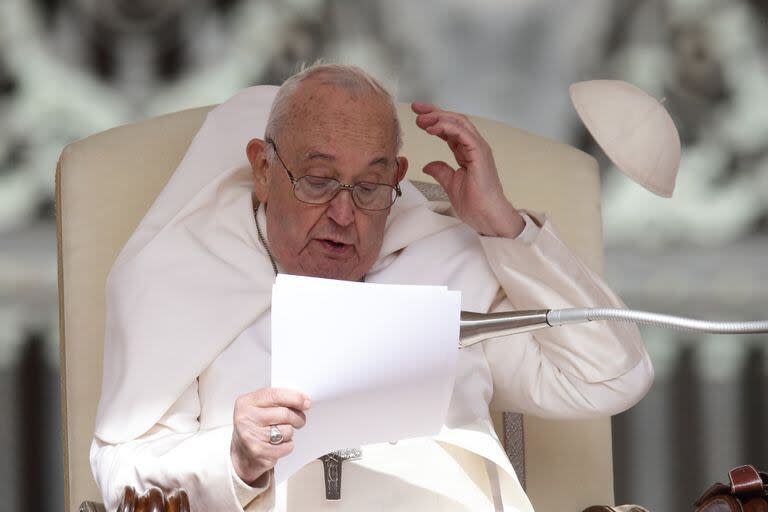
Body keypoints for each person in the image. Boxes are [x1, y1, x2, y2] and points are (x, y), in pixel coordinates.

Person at [91, 64, 654, 511]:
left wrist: (502, 226)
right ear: (263, 169)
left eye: (369, 186)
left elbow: (609, 377)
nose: (343, 213)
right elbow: (124, 477)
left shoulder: (445, 262)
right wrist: (232, 460)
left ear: (398, 178)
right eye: (317, 180)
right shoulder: (185, 278)